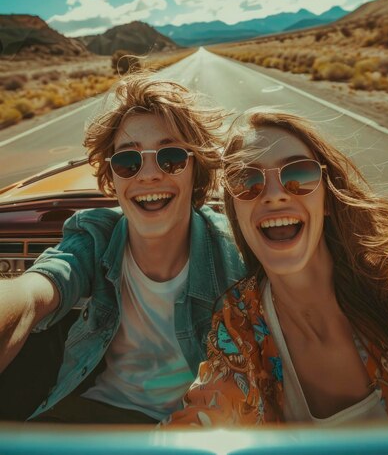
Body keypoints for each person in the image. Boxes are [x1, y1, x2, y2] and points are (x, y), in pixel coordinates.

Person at [0, 72, 246, 423]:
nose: (147, 175)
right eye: (128, 161)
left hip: (198, 423)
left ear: (197, 169)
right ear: (112, 177)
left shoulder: (233, 250)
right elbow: (35, 292)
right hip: (97, 411)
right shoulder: (95, 234)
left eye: (171, 157)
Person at [164, 108, 388, 426]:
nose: (273, 195)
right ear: (236, 214)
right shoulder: (239, 323)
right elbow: (207, 415)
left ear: (327, 198)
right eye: (248, 180)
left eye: (298, 175)